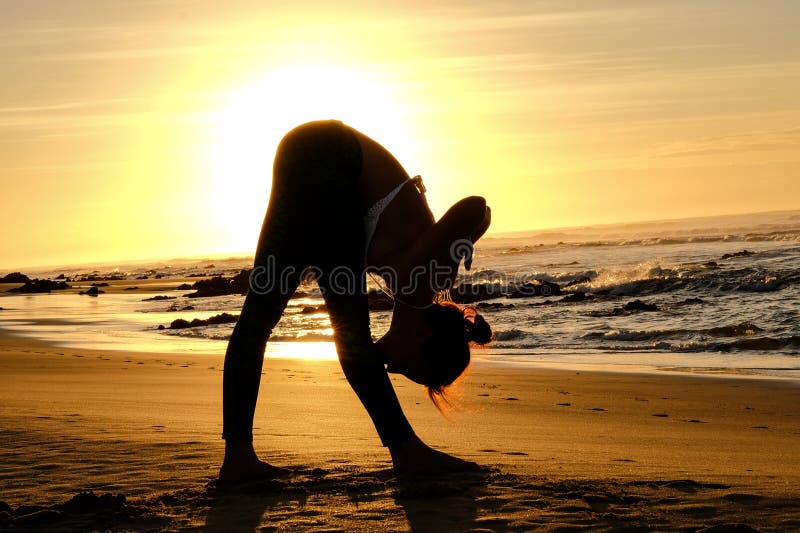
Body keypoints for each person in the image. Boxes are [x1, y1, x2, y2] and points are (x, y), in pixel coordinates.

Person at [219, 119, 492, 484]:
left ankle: (238, 460)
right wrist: (464, 241)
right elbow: (478, 206)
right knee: (350, 340)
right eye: (416, 373)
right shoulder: (428, 281)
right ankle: (408, 454)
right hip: (332, 158)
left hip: (305, 150)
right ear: (424, 340)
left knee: (257, 324)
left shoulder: (412, 290)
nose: (396, 373)